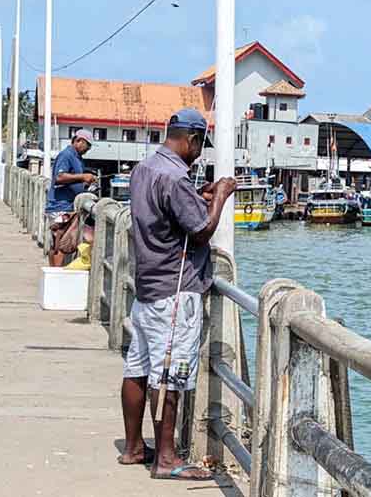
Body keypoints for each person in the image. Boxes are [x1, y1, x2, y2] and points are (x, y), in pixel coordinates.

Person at [119, 108, 236, 481]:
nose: (200, 154)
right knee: (171, 372)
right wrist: (220, 195)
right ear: (191, 140)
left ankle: (135, 447)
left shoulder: (145, 169)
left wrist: (196, 196)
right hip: (175, 290)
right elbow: (201, 231)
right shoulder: (174, 177)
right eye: (200, 146)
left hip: (147, 286)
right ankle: (166, 459)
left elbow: (168, 215)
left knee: (137, 367)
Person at [45, 129, 96, 266]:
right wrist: (82, 176)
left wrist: (84, 184)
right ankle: (56, 276)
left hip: (68, 205)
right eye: (87, 145)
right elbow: (59, 177)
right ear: (78, 141)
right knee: (60, 243)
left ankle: (55, 274)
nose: (88, 149)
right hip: (60, 206)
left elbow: (71, 180)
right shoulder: (66, 155)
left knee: (60, 242)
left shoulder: (77, 158)